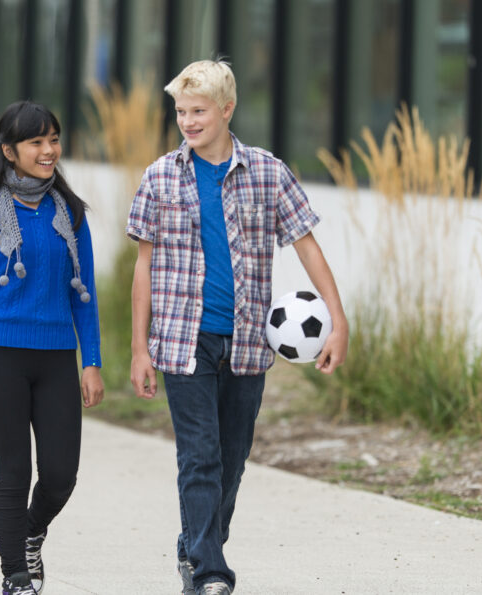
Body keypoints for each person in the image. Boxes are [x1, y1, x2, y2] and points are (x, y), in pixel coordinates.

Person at [125, 60, 350, 595]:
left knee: (231, 460)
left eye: (198, 111)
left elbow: (307, 245)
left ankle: (196, 545)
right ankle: (210, 573)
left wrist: (337, 320)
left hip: (248, 341)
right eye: (180, 111)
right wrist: (139, 348)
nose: (188, 121)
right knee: (199, 456)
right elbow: (144, 266)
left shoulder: (269, 172)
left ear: (227, 109)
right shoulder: (160, 175)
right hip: (184, 340)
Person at [0, 100, 104, 595]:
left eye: (53, 139)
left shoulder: (71, 213)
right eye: (36, 142)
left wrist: (92, 362)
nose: (48, 150)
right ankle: (15, 574)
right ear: (9, 151)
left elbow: (84, 295)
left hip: (57, 355)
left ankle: (31, 531)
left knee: (61, 473)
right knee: (14, 470)